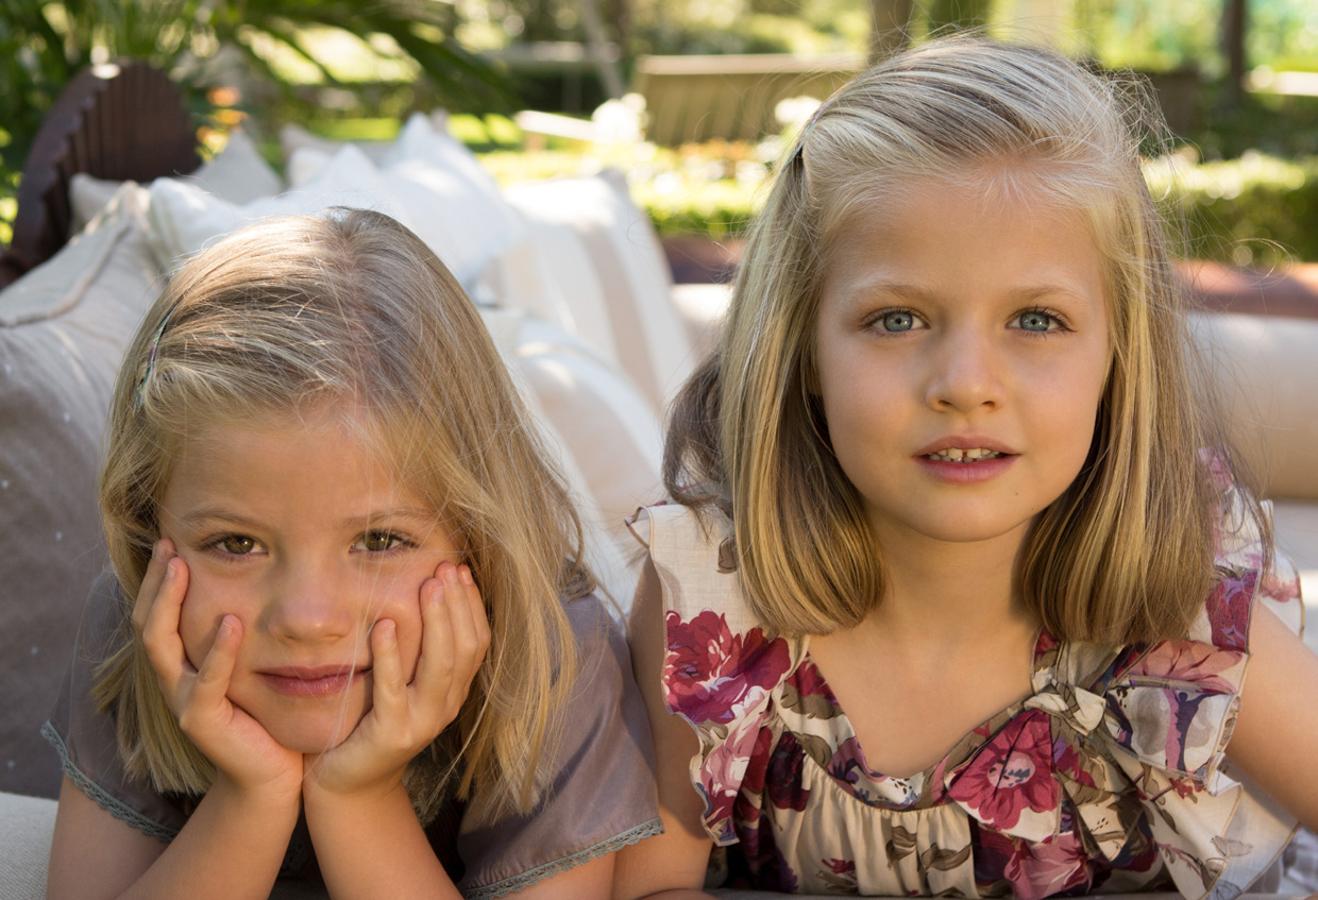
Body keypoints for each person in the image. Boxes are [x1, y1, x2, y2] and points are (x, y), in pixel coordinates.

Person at [613, 36, 1318, 899]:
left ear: (1119, 357)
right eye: (898, 320)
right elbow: (652, 887)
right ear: (801, 349)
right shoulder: (714, 599)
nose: (966, 386)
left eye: (1036, 320)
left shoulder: (1182, 603)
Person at [44, 209, 659, 899]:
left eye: (378, 540)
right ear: (146, 527)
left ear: (478, 535)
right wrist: (253, 796)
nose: (308, 619)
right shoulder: (139, 624)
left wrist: (357, 799)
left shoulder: (555, 661)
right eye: (236, 544)